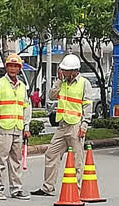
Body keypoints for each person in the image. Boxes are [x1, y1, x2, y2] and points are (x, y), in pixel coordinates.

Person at [33, 54, 93, 197]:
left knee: (77, 159)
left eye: (65, 70)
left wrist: (84, 125)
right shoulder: (62, 82)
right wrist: (59, 81)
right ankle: (48, 187)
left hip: (76, 125)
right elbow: (51, 96)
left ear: (74, 71)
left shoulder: (84, 83)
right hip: (62, 125)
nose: (62, 72)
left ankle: (76, 190)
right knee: (51, 153)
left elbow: (87, 105)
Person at [0, 53, 31, 200]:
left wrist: (26, 126)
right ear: (6, 67)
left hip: (18, 128)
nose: (13, 68)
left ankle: (16, 189)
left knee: (16, 161)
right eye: (10, 65)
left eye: (15, 66)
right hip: (4, 128)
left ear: (19, 68)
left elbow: (26, 107)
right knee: (0, 160)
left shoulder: (22, 86)